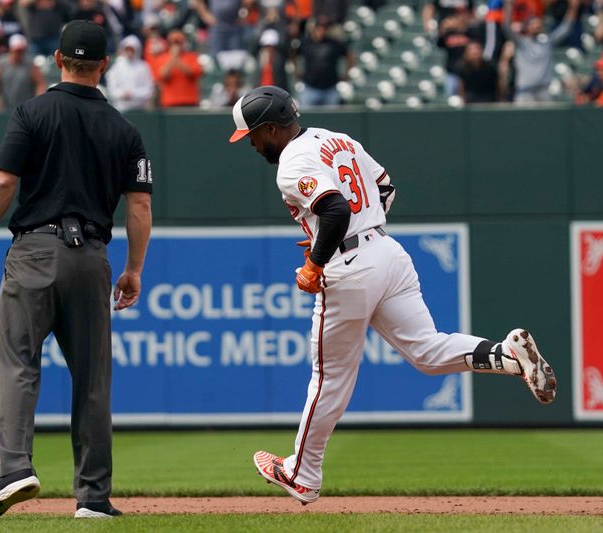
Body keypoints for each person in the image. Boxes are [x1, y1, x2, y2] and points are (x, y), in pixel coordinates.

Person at [229, 85, 557, 504]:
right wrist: (347, 235)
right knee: (429, 352)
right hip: (387, 251)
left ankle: (302, 473)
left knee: (329, 379)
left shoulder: (291, 161)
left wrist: (316, 260)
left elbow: (334, 210)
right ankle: (509, 357)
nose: (253, 144)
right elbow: (385, 188)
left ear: (271, 128)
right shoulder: (338, 139)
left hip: (350, 267)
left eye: (252, 136)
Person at [0, 20, 153, 520]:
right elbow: (139, 207)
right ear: (104, 65)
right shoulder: (124, 128)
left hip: (34, 250)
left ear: (58, 61)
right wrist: (133, 269)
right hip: (92, 257)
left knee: (18, 363)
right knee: (93, 379)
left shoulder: (32, 112)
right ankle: (93, 497)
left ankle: (12, 470)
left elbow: (4, 181)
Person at [503, 0, 580, 103]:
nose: (537, 26)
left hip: (544, 91)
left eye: (539, 23)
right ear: (527, 27)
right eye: (533, 24)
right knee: (522, 118)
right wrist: (508, 6)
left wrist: (573, 8)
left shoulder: (546, 42)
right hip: (525, 91)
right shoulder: (520, 42)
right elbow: (506, 27)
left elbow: (565, 28)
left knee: (547, 118)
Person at [297, 17, 353, 107]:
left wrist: (346, 74)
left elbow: (350, 56)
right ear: (314, 29)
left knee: (331, 119)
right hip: (310, 87)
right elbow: (293, 54)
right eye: (319, 28)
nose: (321, 30)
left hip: (330, 88)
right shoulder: (306, 43)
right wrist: (296, 72)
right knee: (306, 118)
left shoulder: (334, 44)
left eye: (324, 28)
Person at [0, 34, 47, 113]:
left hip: (25, 110)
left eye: (21, 50)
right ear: (10, 49)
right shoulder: (1, 64)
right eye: (17, 50)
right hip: (5, 109)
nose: (19, 53)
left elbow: (40, 83)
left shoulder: (31, 65)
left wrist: (38, 102)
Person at [106, 34, 156, 111]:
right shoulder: (117, 67)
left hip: (140, 109)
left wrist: (134, 94)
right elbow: (111, 88)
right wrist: (122, 94)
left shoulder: (143, 67)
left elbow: (149, 89)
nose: (129, 52)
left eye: (132, 49)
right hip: (120, 108)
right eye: (127, 49)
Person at [156, 29, 203, 107]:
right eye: (173, 43)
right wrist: (172, 60)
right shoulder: (162, 58)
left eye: (178, 43)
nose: (176, 45)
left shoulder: (192, 57)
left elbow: (195, 73)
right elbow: (161, 76)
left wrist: (177, 62)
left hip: (190, 101)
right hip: (170, 102)